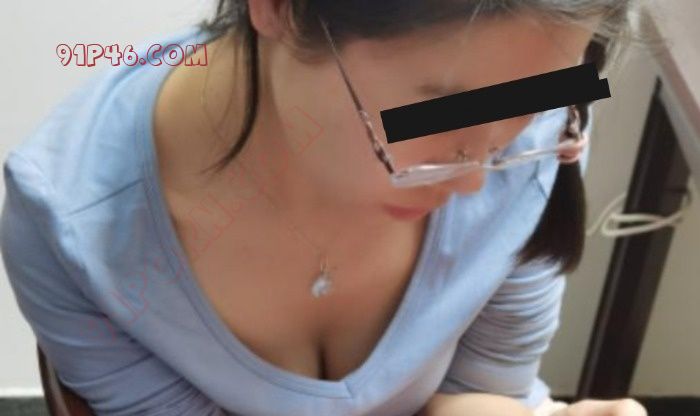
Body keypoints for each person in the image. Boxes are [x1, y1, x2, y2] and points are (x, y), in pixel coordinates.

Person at [0, 0, 648, 415]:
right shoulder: (73, 228)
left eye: (525, 110)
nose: (475, 181)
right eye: (440, 114)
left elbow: (482, 390)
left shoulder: (540, 136)